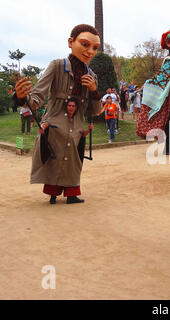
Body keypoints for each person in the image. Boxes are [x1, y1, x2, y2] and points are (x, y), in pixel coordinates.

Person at [13, 24, 102, 204]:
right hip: (55, 126)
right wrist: (22, 97)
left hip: (76, 128)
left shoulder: (92, 76)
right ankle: (53, 194)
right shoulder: (56, 66)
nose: (90, 51)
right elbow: (37, 97)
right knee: (54, 160)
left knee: (73, 163)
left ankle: (72, 194)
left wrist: (94, 91)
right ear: (71, 42)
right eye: (85, 44)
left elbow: (96, 110)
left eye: (95, 48)